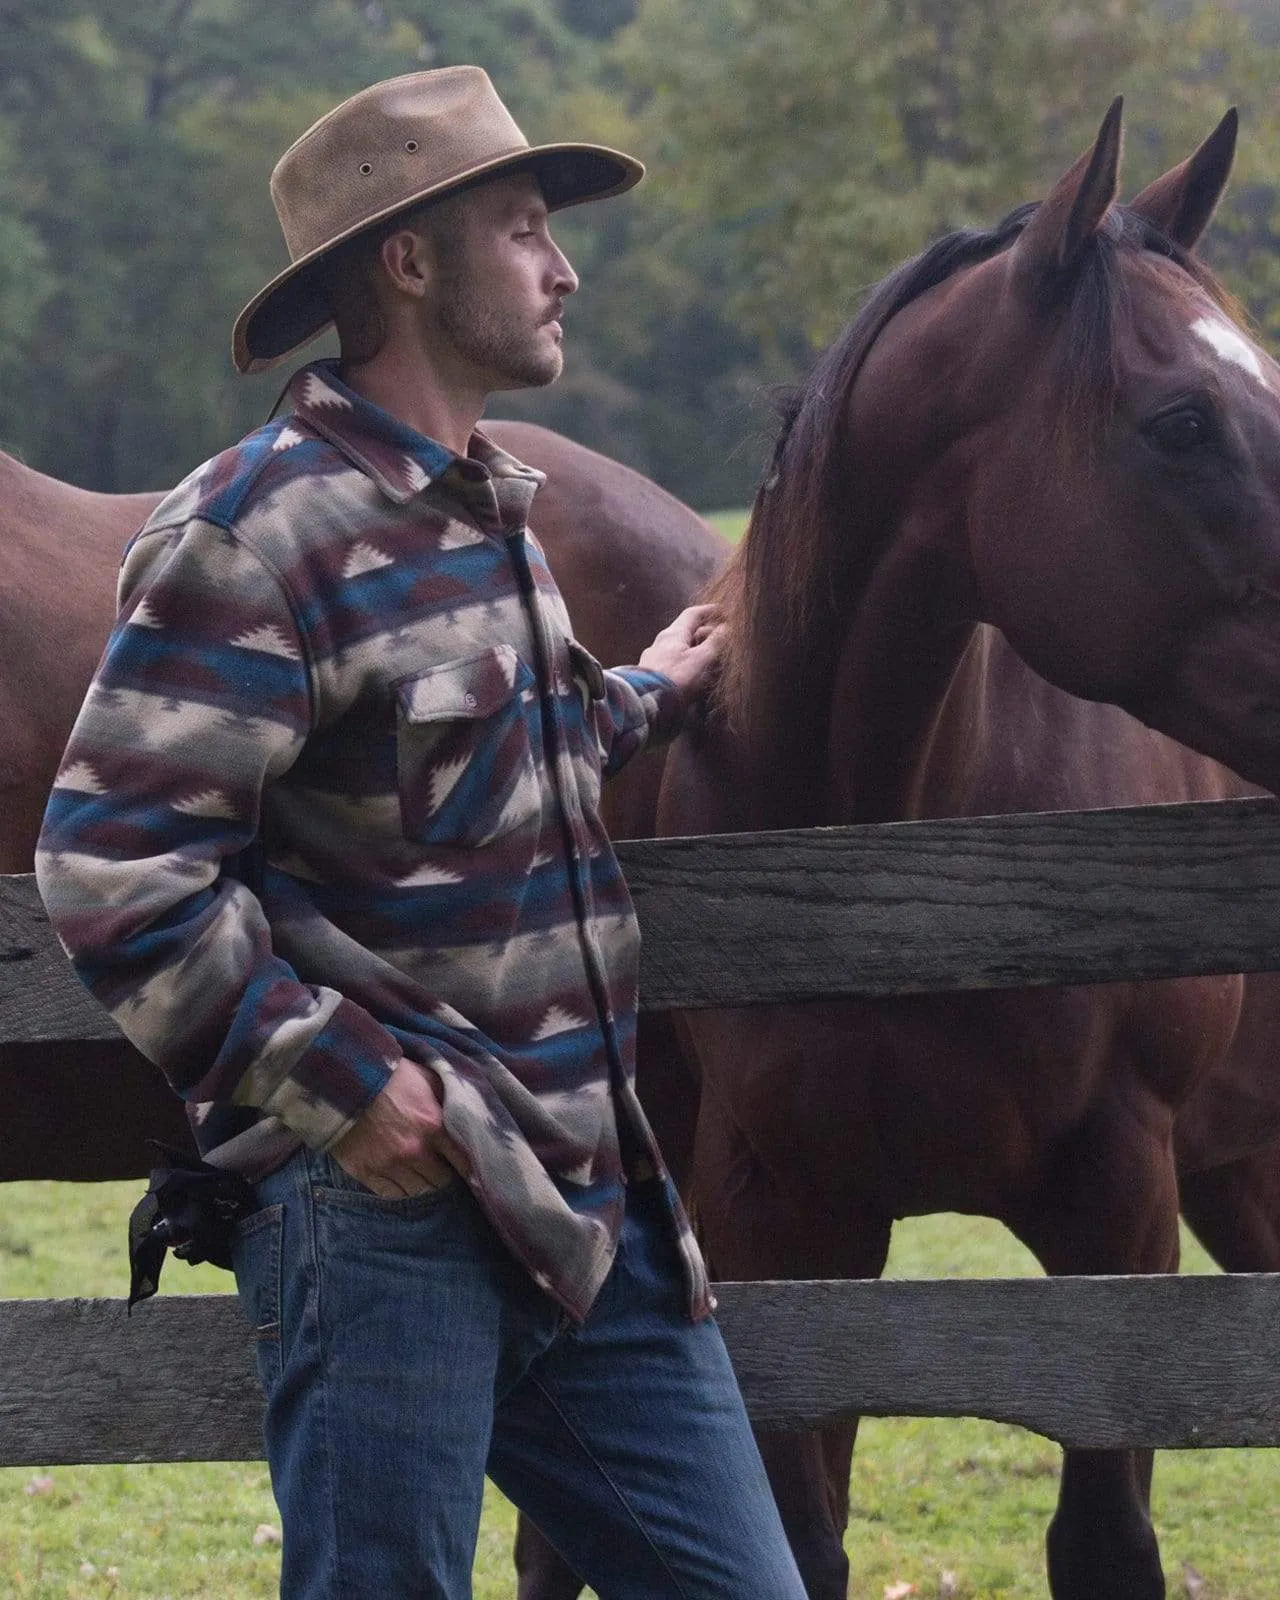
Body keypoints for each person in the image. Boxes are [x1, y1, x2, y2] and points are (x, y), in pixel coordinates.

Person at [36, 67, 808, 1600]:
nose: (562, 266)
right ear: (407, 263)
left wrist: (642, 692)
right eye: (521, 229)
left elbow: (483, 754)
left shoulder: (486, 513)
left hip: (591, 1209)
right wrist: (345, 1089)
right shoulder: (257, 535)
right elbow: (114, 863)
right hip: (383, 1220)